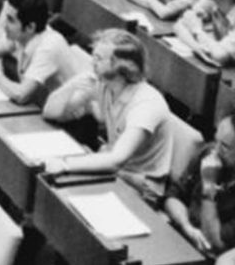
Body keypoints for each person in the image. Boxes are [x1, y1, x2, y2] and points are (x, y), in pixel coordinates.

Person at [42, 29, 179, 198]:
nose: (93, 62)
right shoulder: (104, 84)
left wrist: (65, 164)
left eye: (99, 59)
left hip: (142, 185)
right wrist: (72, 85)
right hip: (116, 169)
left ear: (122, 67)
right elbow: (51, 113)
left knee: (66, 188)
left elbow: (116, 159)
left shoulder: (146, 105)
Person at [162, 108, 235, 256]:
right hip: (179, 233)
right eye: (216, 140)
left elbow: (215, 243)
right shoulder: (210, 152)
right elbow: (173, 195)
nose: (215, 149)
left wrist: (209, 185)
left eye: (225, 146)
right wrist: (186, 226)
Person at [0, 0, 80, 106]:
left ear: (30, 27)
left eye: (11, 20)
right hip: (45, 106)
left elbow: (21, 95)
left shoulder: (49, 47)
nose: (4, 25)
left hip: (72, 119)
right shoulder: (22, 35)